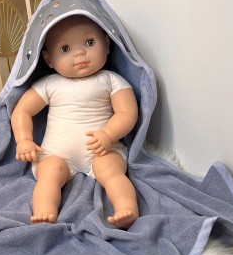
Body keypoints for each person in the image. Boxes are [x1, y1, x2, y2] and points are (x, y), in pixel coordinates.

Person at [11, 15, 139, 229]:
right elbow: (22, 110)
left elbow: (127, 112)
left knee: (110, 169)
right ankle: (44, 212)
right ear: (48, 59)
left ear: (107, 44)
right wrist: (23, 140)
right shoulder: (50, 84)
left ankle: (126, 208)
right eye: (65, 49)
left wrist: (108, 134)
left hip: (103, 150)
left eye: (89, 42)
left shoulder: (110, 80)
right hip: (55, 154)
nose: (80, 53)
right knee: (49, 172)